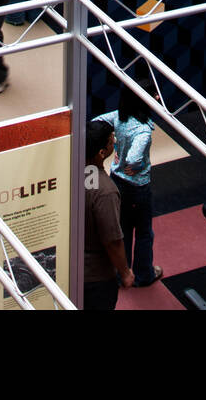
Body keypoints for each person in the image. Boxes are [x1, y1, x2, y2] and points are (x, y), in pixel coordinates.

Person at [94, 82, 162, 287]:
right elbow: (133, 159)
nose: (157, 98)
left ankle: (119, 273)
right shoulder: (143, 131)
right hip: (138, 188)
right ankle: (143, 275)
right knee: (144, 233)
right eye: (153, 96)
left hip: (117, 183)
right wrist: (132, 163)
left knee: (121, 228)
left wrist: (116, 157)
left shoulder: (118, 117)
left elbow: (96, 121)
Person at [84, 119, 134, 309]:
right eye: (112, 141)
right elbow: (113, 240)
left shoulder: (74, 171)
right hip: (96, 280)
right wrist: (125, 272)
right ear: (101, 153)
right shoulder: (105, 191)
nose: (115, 143)